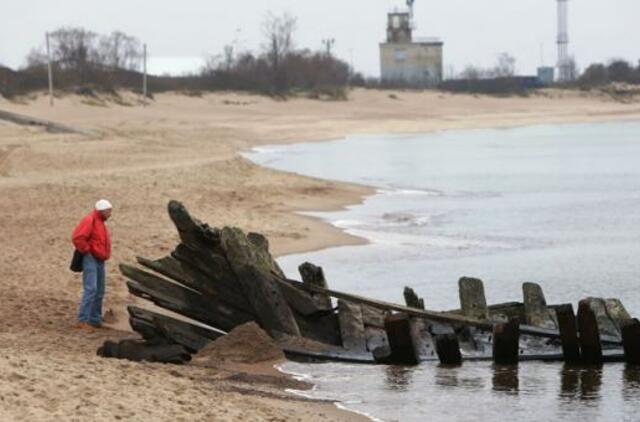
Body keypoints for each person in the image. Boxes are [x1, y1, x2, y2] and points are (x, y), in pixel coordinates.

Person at [72, 199, 112, 330]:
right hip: (91, 258)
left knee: (99, 290)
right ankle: (82, 320)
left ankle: (95, 319)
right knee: (91, 289)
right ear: (102, 211)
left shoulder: (100, 222)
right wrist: (87, 251)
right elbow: (78, 237)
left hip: (99, 259)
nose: (110, 214)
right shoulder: (90, 220)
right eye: (109, 211)